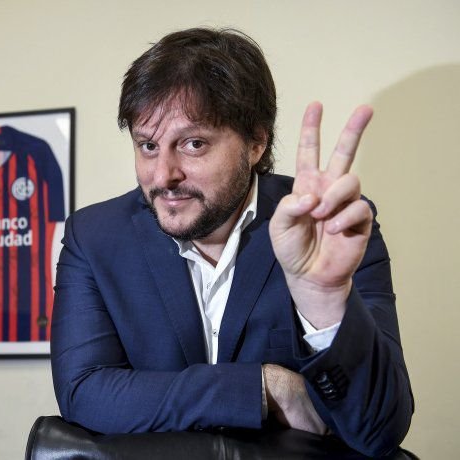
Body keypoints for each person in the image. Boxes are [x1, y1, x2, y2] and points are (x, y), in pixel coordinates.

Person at [50, 27, 413, 457]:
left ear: (256, 142)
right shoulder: (94, 237)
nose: (163, 175)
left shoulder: (326, 227)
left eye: (193, 144)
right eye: (148, 146)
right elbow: (85, 393)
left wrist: (323, 301)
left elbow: (379, 431)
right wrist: (263, 387)